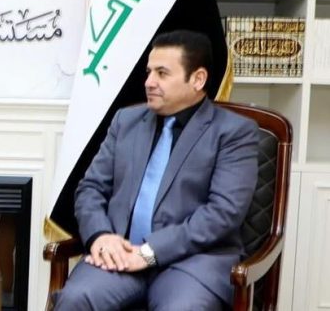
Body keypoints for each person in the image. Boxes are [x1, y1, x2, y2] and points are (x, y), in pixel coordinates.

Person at [54, 30, 260, 311]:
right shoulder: (125, 121)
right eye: (149, 72)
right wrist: (101, 236)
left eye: (162, 73)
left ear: (198, 79)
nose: (149, 82)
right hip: (120, 255)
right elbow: (90, 189)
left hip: (191, 264)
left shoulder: (234, 132)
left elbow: (223, 213)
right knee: (76, 299)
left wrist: (150, 252)